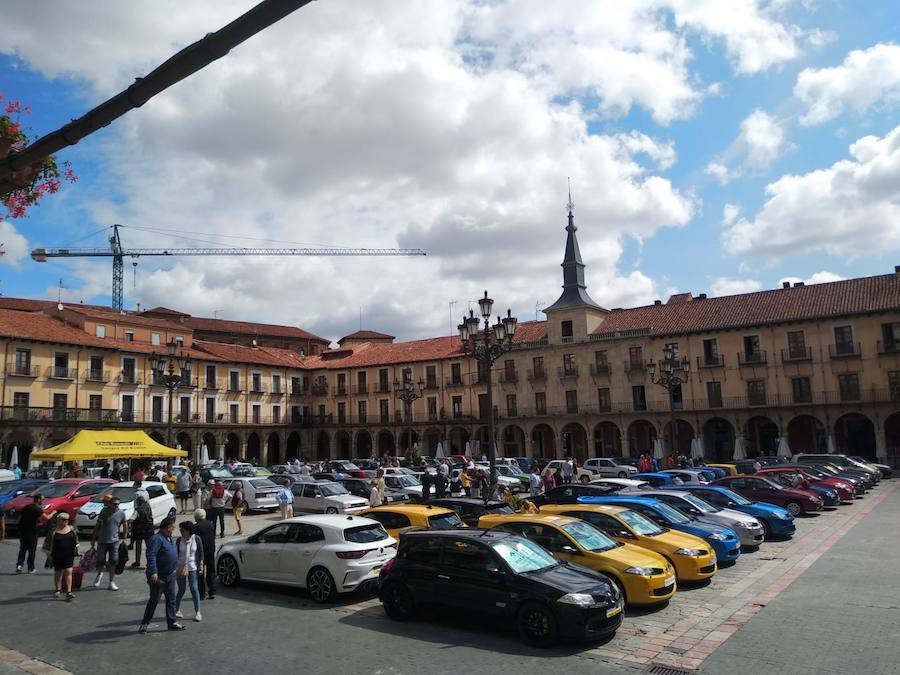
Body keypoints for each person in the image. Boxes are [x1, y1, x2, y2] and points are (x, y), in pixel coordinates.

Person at [140, 517, 184, 632]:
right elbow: (151, 555)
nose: (174, 528)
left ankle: (172, 622)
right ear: (168, 527)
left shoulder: (169, 538)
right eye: (173, 526)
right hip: (159, 576)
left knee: (171, 599)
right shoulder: (156, 539)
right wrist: (153, 571)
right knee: (154, 600)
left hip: (170, 574)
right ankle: (145, 623)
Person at [92, 496, 127, 591]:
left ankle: (111, 582)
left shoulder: (121, 513)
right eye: (115, 504)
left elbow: (125, 524)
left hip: (114, 541)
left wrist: (124, 538)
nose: (117, 506)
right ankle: (99, 574)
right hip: (102, 541)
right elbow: (98, 525)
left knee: (113, 561)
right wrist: (93, 539)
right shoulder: (104, 511)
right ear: (110, 504)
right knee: (101, 560)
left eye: (118, 504)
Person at [175, 521, 204, 622]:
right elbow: (176, 554)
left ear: (188, 531)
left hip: (192, 567)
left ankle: (198, 612)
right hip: (180, 567)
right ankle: (177, 609)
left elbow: (201, 553)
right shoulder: (179, 540)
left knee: (194, 588)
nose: (181, 532)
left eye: (182, 530)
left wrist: (201, 565)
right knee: (181, 590)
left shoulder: (196, 539)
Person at [47, 512, 79, 601]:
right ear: (59, 520)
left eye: (67, 519)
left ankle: (69, 592)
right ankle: (58, 589)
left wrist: (77, 550)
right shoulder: (53, 531)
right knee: (59, 572)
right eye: (64, 520)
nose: (66, 521)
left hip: (69, 554)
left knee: (69, 571)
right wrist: (49, 555)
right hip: (57, 554)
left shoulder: (72, 529)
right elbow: (48, 544)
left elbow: (76, 541)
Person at [16, 493, 44, 574]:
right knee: (32, 550)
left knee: (23, 549)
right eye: (42, 499)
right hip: (32, 532)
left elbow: (20, 517)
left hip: (23, 531)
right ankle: (30, 568)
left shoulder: (26, 507)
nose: (43, 501)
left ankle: (19, 565)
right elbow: (47, 517)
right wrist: (54, 513)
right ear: (38, 499)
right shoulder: (37, 509)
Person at [193, 509, 217, 600]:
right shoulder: (210, 524)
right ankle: (212, 591)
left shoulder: (196, 527)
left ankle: (202, 593)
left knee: (200, 573)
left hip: (201, 553)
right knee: (211, 571)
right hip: (211, 550)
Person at [130, 495, 155, 569]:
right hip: (149, 530)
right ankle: (150, 563)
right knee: (150, 548)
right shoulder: (148, 507)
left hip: (140, 530)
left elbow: (132, 518)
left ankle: (137, 562)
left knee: (138, 547)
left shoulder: (137, 510)